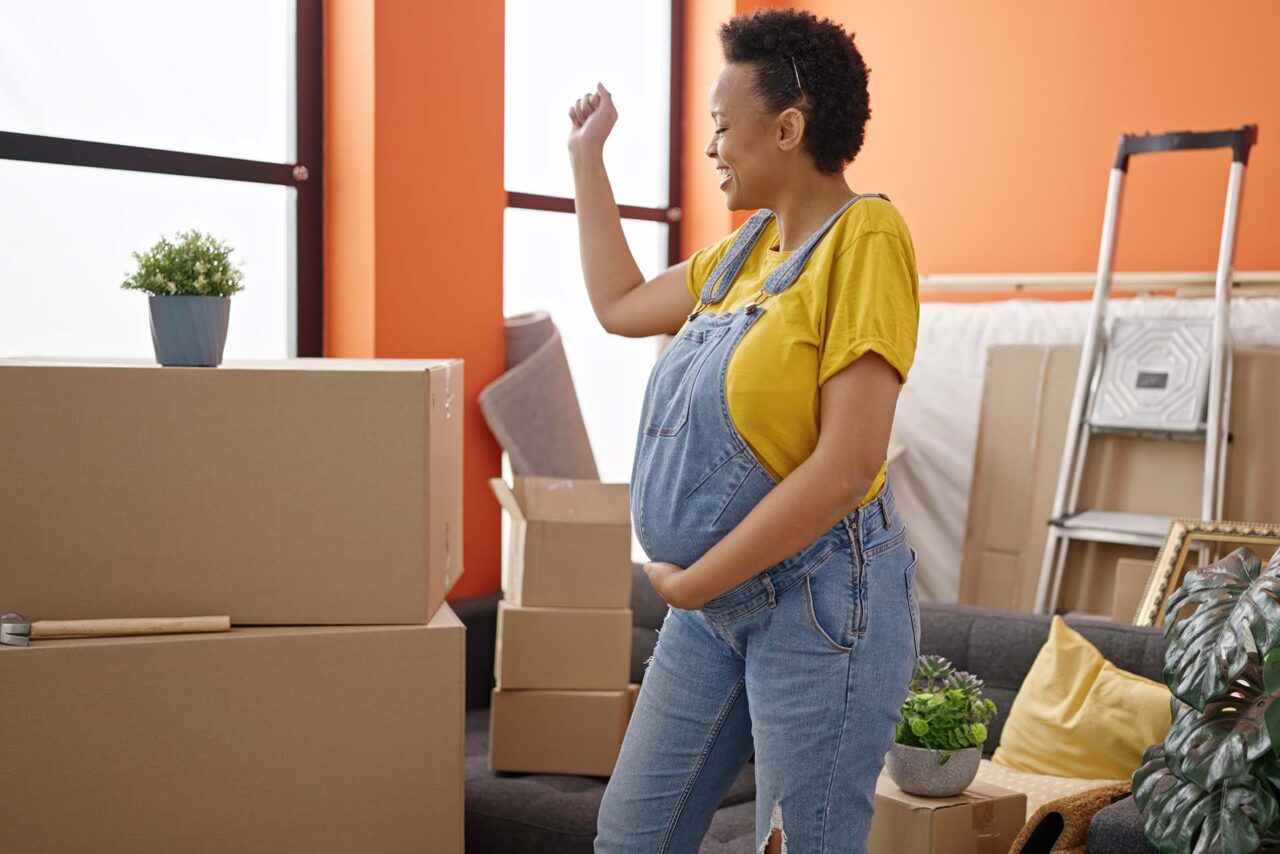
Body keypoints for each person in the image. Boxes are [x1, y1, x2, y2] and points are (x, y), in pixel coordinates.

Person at [567, 8, 921, 853]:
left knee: (807, 843)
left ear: (789, 128)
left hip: (818, 598)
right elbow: (618, 305)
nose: (713, 147)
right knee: (632, 838)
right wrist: (587, 160)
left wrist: (688, 584)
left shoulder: (866, 237)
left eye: (723, 126)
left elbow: (846, 467)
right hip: (714, 604)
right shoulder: (741, 253)